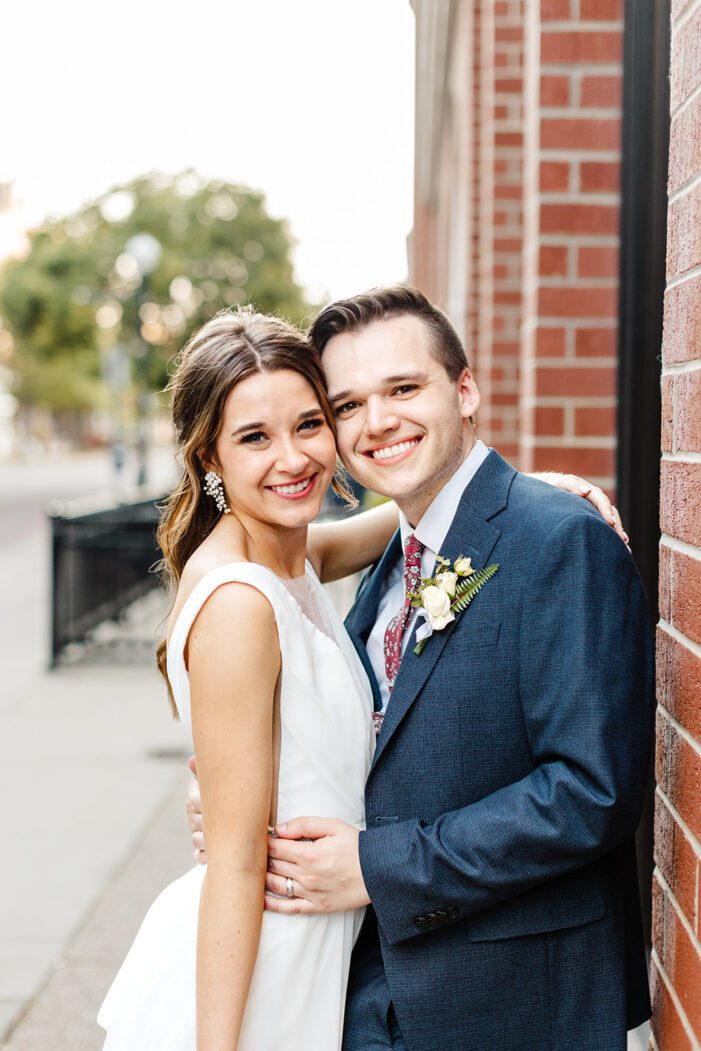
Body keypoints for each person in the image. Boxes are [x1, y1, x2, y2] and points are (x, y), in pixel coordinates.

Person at [101, 300, 628, 1050]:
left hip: (407, 973)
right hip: (274, 959)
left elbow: (421, 518)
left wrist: (520, 490)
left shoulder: (301, 554)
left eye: (311, 422)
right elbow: (237, 864)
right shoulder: (241, 598)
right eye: (255, 437)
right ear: (209, 458)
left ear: (464, 391)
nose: (294, 457)